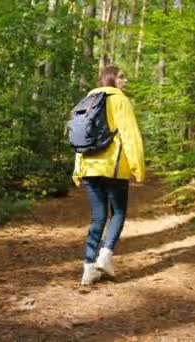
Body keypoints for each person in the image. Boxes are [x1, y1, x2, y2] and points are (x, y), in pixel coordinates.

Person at [73, 65, 146, 286]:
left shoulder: (87, 100)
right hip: (113, 167)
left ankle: (88, 268)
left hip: (88, 167)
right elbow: (130, 135)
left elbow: (82, 137)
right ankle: (104, 257)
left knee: (97, 217)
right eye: (122, 77)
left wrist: (77, 170)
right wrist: (138, 167)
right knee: (119, 212)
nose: (125, 81)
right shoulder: (120, 100)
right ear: (111, 79)